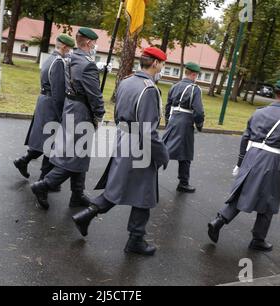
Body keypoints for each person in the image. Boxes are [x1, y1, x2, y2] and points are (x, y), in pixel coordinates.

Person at [71, 47, 169, 256]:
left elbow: (116, 114)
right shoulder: (149, 89)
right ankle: (135, 240)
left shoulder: (126, 81)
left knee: (119, 187)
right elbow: (148, 130)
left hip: (124, 137)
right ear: (155, 63)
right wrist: (162, 154)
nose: (162, 67)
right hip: (139, 143)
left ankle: (87, 215)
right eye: (162, 64)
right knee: (145, 194)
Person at [207, 80, 280, 252]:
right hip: (271, 161)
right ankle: (258, 239)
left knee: (241, 193)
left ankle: (219, 220)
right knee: (269, 200)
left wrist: (240, 162)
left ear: (277, 94)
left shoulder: (259, 112)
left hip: (251, 156)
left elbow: (245, 138)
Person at [30, 27, 105, 210]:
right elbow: (94, 95)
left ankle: (77, 194)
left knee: (80, 155)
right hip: (82, 111)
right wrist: (99, 114)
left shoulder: (71, 57)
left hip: (71, 107)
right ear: (88, 42)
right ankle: (43, 185)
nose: (95, 45)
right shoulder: (87, 64)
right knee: (76, 155)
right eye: (94, 42)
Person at [14, 34, 75, 191]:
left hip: (44, 101)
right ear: (64, 47)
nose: (70, 52)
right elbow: (59, 92)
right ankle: (44, 181)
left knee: (44, 140)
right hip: (51, 104)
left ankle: (23, 160)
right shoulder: (59, 63)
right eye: (70, 49)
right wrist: (62, 113)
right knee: (51, 143)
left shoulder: (50, 58)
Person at [162, 62, 205, 193]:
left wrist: (168, 121)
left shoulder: (174, 86)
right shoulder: (195, 88)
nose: (196, 77)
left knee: (169, 148)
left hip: (173, 119)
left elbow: (168, 106)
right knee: (182, 153)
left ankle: (183, 182)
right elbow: (198, 111)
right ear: (193, 74)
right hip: (185, 122)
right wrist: (199, 125)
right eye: (196, 75)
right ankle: (183, 182)